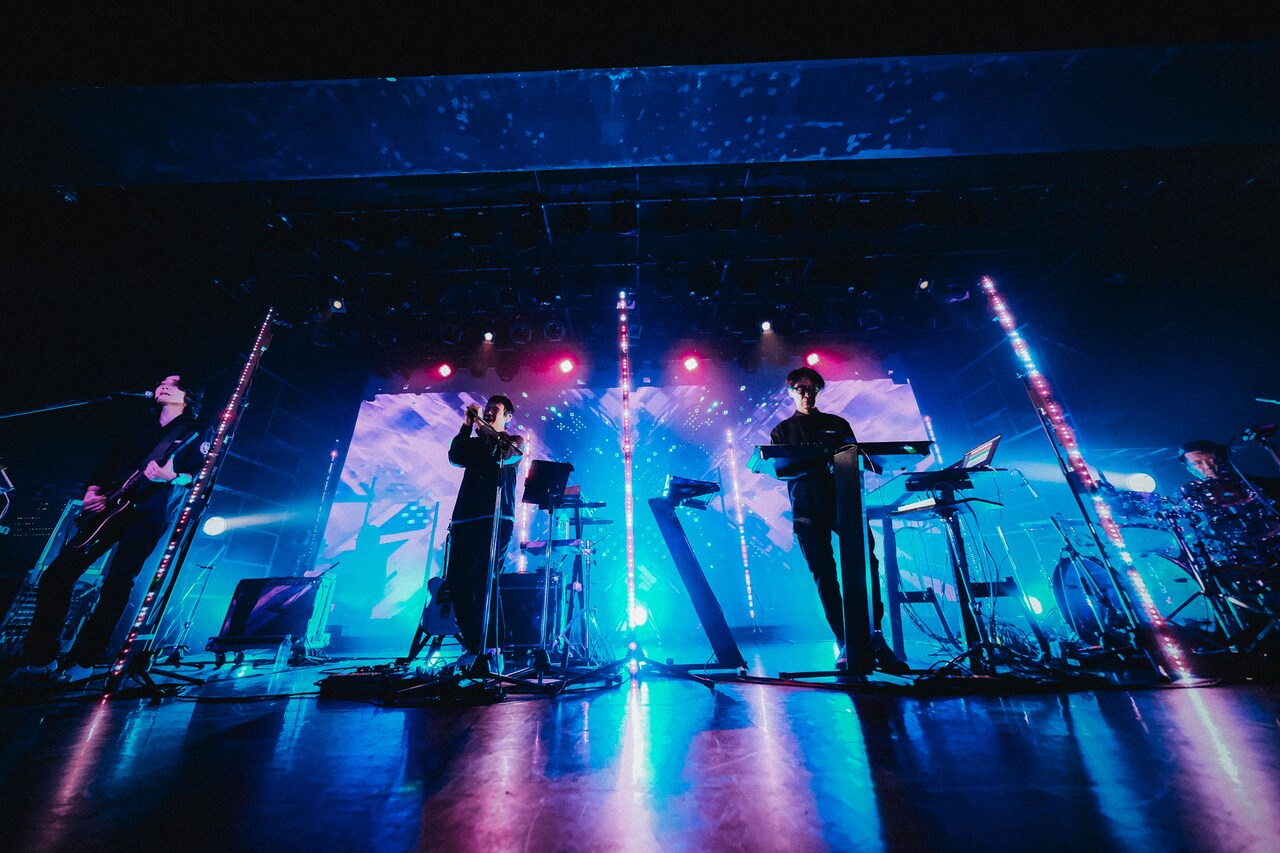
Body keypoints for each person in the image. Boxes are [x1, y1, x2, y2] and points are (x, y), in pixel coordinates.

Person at [13, 375, 206, 681]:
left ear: (189, 395)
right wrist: (92, 492)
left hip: (149, 513)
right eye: (162, 382)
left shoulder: (194, 431)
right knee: (57, 574)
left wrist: (172, 476)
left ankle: (85, 659)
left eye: (174, 384)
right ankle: (40, 657)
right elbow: (109, 461)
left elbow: (197, 476)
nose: (164, 386)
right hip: (110, 507)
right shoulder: (139, 425)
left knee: (117, 584)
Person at [770, 366, 907, 673]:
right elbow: (781, 470)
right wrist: (821, 462)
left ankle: (875, 636)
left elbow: (858, 457)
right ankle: (845, 640)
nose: (807, 394)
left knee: (867, 567)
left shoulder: (837, 423)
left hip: (845, 504)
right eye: (801, 389)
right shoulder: (782, 430)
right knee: (825, 575)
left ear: (818, 391)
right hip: (807, 510)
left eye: (812, 388)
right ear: (791, 392)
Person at [443, 395, 524, 664]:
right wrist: (467, 426)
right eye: (486, 408)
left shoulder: (513, 443)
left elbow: (497, 455)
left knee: (485, 581)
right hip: (466, 519)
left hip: (495, 518)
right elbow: (455, 456)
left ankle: (492, 649)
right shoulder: (476, 441)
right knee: (457, 582)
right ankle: (474, 646)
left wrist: (481, 426)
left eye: (494, 409)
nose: (488, 411)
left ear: (507, 416)